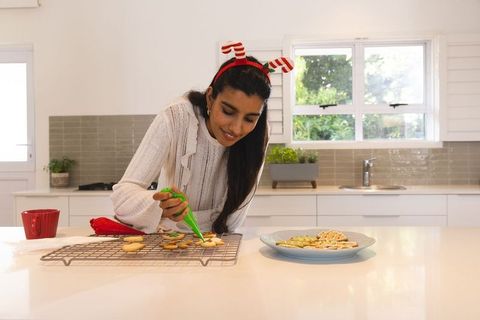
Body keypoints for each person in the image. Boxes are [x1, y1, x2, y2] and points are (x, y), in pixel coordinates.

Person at [111, 41, 293, 234]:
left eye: (249, 119)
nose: (237, 128)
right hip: (166, 238)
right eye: (228, 111)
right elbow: (122, 198)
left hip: (220, 240)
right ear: (210, 97)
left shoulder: (258, 134)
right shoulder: (176, 117)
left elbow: (232, 220)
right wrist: (159, 205)